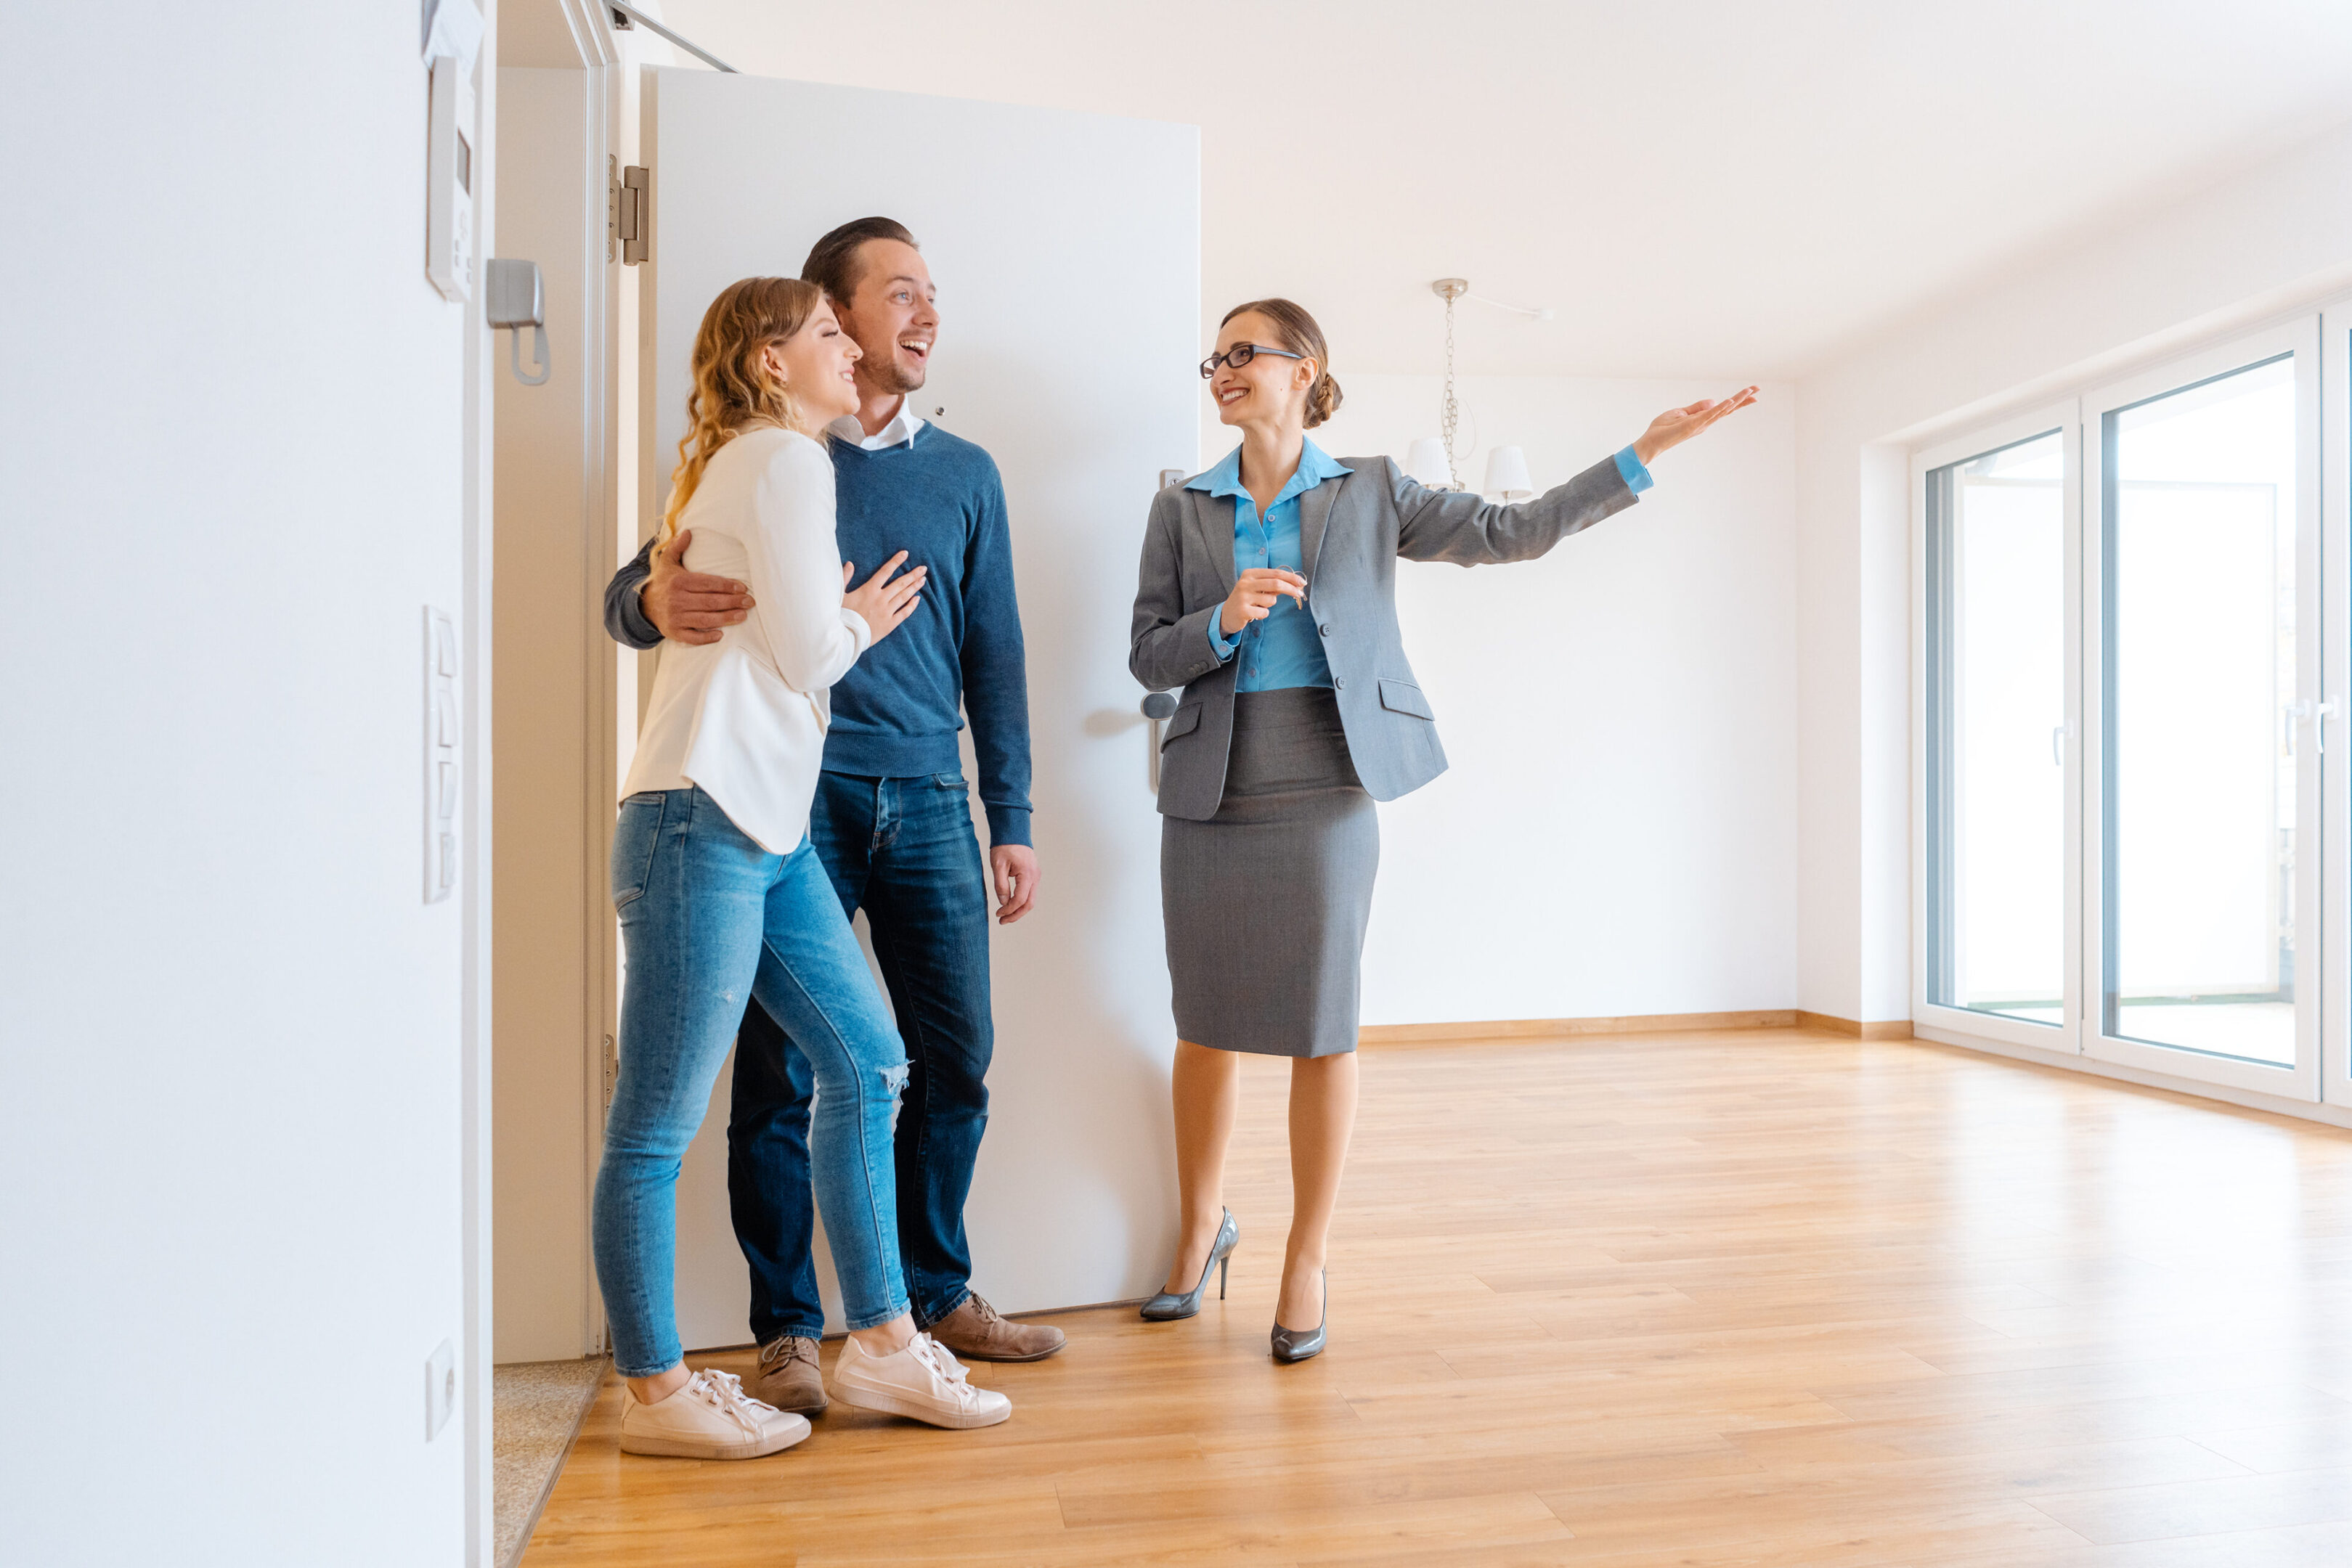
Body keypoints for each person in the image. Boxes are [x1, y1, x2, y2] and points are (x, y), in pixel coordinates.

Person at [1130, 298, 1757, 1363]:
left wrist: (1640, 455)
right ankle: (1200, 1233)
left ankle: (1306, 1260)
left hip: (1329, 778)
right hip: (1213, 783)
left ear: (1306, 368)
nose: (1224, 370)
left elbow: (1512, 533)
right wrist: (1222, 621)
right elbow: (1150, 653)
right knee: (1205, 1023)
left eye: (1247, 353)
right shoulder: (1181, 505)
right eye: (1215, 356)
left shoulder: (1372, 489)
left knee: (1323, 1023)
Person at [605, 219, 1059, 1421]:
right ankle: (787, 1333)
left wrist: (1007, 811)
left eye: (933, 295)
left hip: (905, 795)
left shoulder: (962, 474)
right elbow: (651, 585)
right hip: (768, 794)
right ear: (829, 323)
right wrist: (649, 593)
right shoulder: (773, 450)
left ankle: (916, 1307)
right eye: (894, 295)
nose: (924, 317)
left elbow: (995, 650)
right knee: (768, 1084)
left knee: (925, 1063)